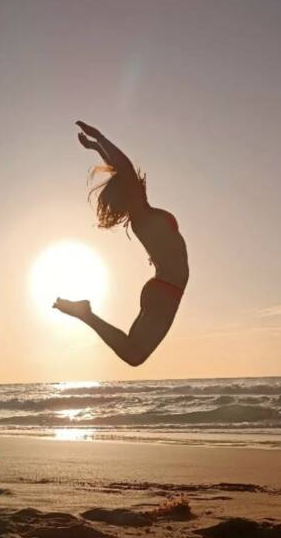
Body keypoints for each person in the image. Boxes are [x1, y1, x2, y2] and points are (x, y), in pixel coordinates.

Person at [53, 121, 189, 366]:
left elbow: (124, 172)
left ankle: (85, 315)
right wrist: (100, 139)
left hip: (165, 288)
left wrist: (97, 147)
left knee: (133, 355)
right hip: (167, 288)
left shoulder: (143, 213)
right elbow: (126, 170)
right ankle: (86, 315)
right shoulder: (142, 216)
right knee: (134, 355)